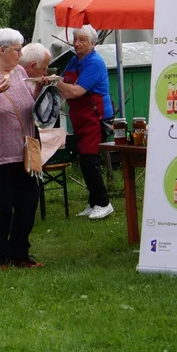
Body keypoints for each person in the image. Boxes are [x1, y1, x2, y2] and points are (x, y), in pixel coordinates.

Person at [0, 28, 42, 268]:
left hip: (23, 151)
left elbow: (28, 106)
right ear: (2, 51)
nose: (20, 54)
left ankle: (20, 252)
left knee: (28, 202)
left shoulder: (20, 71)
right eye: (17, 50)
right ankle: (0, 255)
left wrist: (41, 89)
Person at [58, 25, 115, 220]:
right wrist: (57, 82)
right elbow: (65, 82)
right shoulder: (74, 61)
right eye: (75, 39)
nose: (77, 43)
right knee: (84, 159)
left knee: (91, 160)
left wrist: (54, 82)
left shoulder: (95, 63)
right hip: (80, 116)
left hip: (95, 116)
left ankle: (104, 203)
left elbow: (75, 91)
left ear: (93, 43)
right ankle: (93, 202)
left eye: (82, 40)